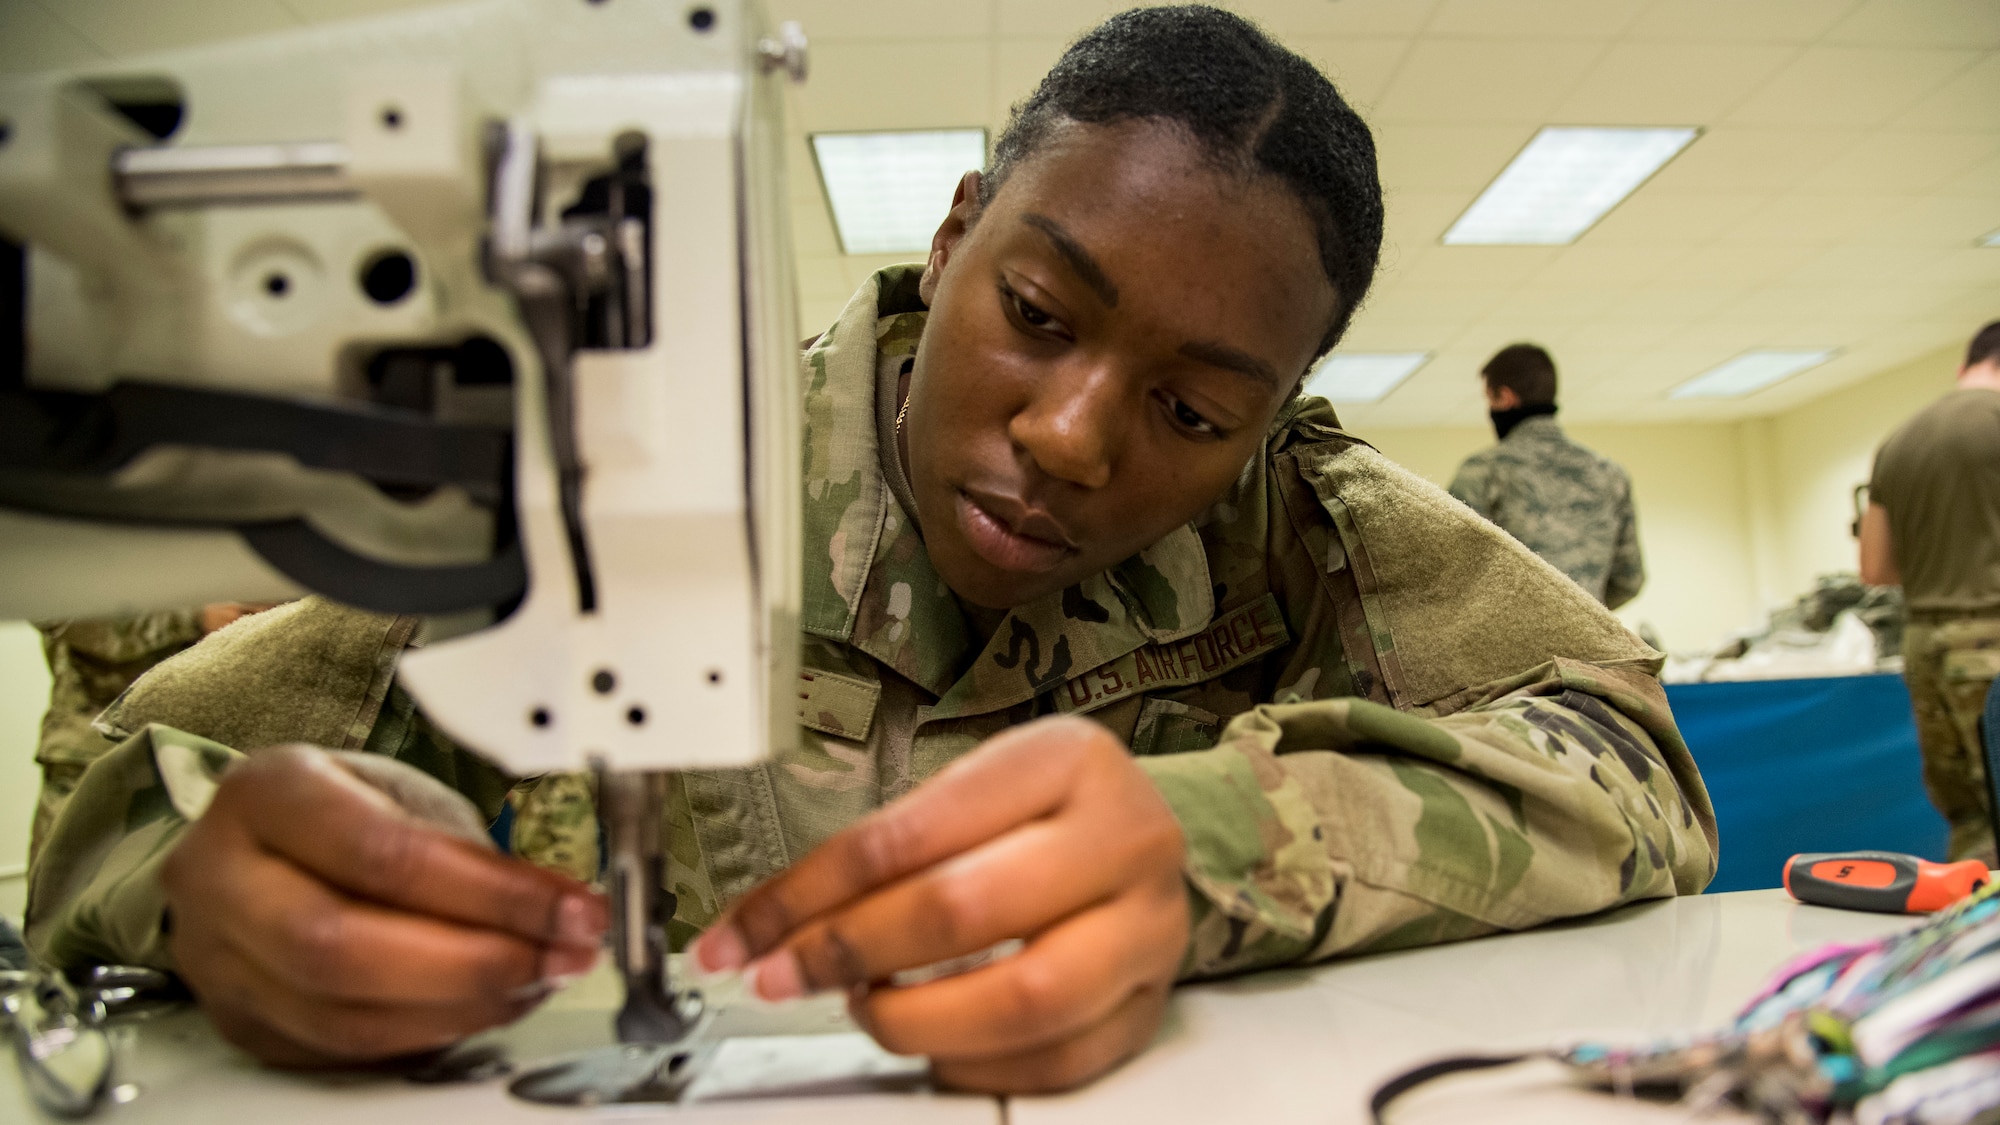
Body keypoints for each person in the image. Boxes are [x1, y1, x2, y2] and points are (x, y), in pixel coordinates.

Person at [25, 7, 1715, 1094]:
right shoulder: (642, 447)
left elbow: (1633, 769)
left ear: (1274, 418)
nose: (1073, 435)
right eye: (1037, 315)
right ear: (960, 229)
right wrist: (193, 883)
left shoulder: (1301, 524)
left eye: (1197, 416)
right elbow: (121, 798)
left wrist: (1226, 844)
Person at [1860, 320, 2000, 864]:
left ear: (1966, 365)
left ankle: (1973, 936)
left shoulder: (1900, 439)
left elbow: (1875, 567)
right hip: (1992, 640)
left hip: (1926, 649)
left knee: (1970, 815)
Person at [30, 605, 272, 863]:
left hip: (235, 756)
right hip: (110, 756)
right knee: (77, 894)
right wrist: (191, 617)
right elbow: (51, 609)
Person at [1448, 343, 1645, 609]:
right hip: (1593, 645)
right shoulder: (1610, 474)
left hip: (1511, 645)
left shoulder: (1483, 471)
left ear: (1504, 398)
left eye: (1489, 399)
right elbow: (1629, 579)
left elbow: (1451, 573)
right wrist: (1584, 612)